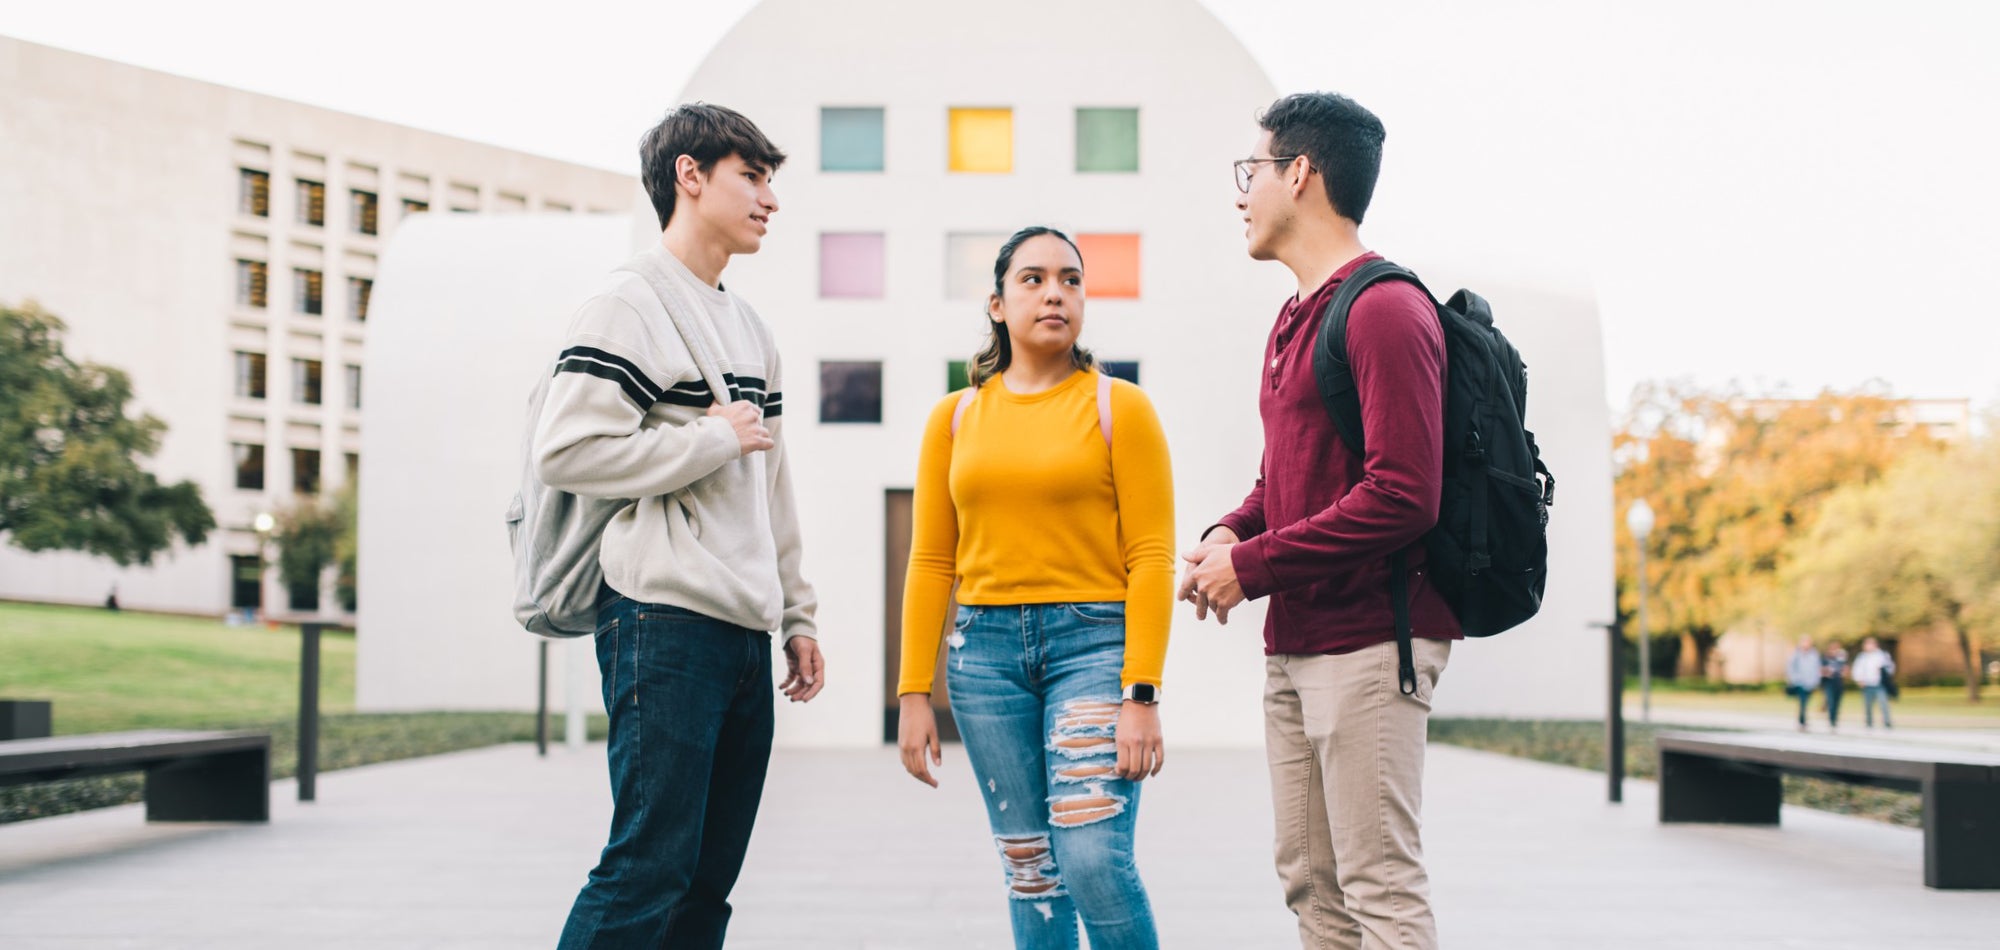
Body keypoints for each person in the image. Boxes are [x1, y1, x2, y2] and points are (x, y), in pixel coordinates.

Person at [535, 103, 825, 950]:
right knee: (646, 866)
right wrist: (708, 438)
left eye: (772, 180)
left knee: (707, 883)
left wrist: (798, 615)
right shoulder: (628, 304)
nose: (771, 198)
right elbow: (568, 449)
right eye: (753, 175)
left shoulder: (750, 328)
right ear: (689, 177)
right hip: (660, 621)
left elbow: (772, 484)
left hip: (741, 630)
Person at [1179, 92, 1457, 950]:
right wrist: (1233, 531)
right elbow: (1288, 477)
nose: (1241, 194)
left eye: (1250, 171)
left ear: (1299, 174)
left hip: (1373, 643)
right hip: (1299, 645)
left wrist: (1254, 568)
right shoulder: (1297, 317)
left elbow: (1405, 492)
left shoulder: (1384, 309)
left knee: (1379, 886)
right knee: (1312, 884)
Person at [896, 226, 1175, 950]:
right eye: (1033, 278)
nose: (1055, 291)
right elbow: (931, 560)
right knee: (1031, 869)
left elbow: (1151, 556)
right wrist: (913, 693)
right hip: (983, 659)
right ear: (996, 303)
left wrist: (1140, 694)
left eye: (1072, 279)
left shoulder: (1122, 408)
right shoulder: (954, 419)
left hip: (1093, 646)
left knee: (1092, 860)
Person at [1852, 636, 1896, 729]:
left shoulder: (1882, 655)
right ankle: (1869, 723)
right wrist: (1859, 679)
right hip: (1867, 684)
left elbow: (1890, 667)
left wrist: (1885, 673)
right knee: (1868, 705)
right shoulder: (1862, 657)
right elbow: (1857, 669)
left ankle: (1887, 722)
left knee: (1883, 703)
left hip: (1879, 684)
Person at [1784, 636, 1823, 731]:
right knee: (1803, 702)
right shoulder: (1796, 654)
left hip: (1810, 683)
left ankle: (1802, 720)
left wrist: (1816, 681)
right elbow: (1790, 667)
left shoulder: (1814, 654)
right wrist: (1794, 679)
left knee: (1805, 702)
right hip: (1800, 682)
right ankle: (1802, 721)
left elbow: (1817, 668)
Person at [1822, 641, 1850, 731]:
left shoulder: (1841, 659)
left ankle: (1835, 719)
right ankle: (1831, 721)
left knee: (1837, 702)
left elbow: (1846, 670)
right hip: (1829, 683)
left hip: (1839, 683)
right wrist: (1827, 673)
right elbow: (1821, 671)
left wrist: (1844, 673)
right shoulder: (1825, 659)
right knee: (1831, 702)